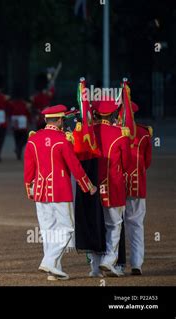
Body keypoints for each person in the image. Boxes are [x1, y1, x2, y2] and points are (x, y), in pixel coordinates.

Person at [24, 105, 97, 280]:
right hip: (60, 190)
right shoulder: (62, 139)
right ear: (58, 120)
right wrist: (88, 185)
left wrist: (29, 188)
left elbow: (28, 168)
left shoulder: (33, 139)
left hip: (40, 191)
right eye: (63, 120)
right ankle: (49, 261)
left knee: (48, 231)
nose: (64, 123)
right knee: (66, 228)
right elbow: (74, 166)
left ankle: (53, 270)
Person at [89, 100, 131, 277]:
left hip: (91, 184)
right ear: (113, 113)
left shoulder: (88, 133)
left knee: (94, 225)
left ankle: (94, 266)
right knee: (114, 224)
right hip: (113, 184)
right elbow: (127, 164)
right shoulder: (120, 134)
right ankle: (109, 260)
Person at [124, 101, 152, 276]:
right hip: (137, 184)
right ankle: (136, 263)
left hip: (115, 186)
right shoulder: (144, 133)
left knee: (114, 226)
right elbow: (147, 163)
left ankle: (117, 263)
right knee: (136, 225)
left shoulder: (114, 132)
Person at [8, 92, 31, 160]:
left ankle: (18, 152)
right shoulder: (25, 104)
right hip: (22, 119)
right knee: (24, 137)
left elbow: (9, 112)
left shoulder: (12, 103)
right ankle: (18, 149)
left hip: (14, 119)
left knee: (17, 137)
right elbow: (27, 112)